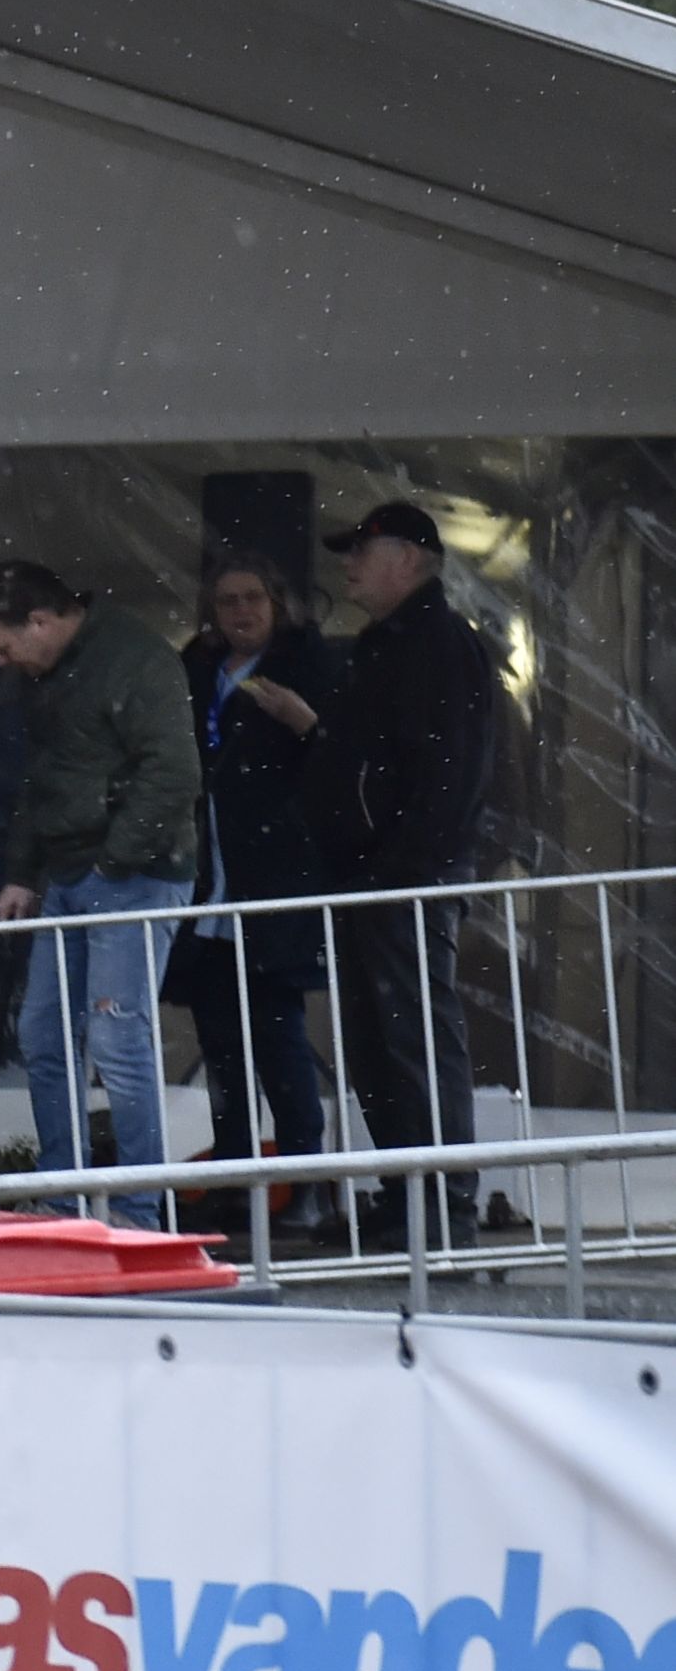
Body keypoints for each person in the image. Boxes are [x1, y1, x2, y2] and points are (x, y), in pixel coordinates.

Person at [0, 559, 202, 1227]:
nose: (1, 661)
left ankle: (138, 1208)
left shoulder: (135, 660)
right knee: (48, 1034)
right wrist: (26, 871)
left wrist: (112, 858)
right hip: (86, 872)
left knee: (115, 1040)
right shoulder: (69, 667)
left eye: (3, 646)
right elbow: (45, 779)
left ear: (41, 622)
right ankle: (67, 1193)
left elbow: (174, 771)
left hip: (129, 875)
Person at [300, 500, 508, 1241]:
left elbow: (451, 773)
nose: (349, 564)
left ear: (411, 559)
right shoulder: (390, 644)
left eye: (364, 549)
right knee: (378, 1038)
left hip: (405, 875)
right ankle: (407, 1194)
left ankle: (441, 1201)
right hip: (376, 872)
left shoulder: (437, 644)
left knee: (412, 1033)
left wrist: (404, 865)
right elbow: (391, 762)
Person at [171, 554, 348, 1215]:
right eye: (228, 601)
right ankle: (234, 1181)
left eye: (253, 598)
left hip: (275, 880)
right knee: (221, 1044)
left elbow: (348, 761)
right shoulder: (197, 669)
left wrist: (307, 723)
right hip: (209, 880)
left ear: (278, 603)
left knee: (279, 1037)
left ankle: (307, 1185)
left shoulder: (310, 664)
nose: (241, 611)